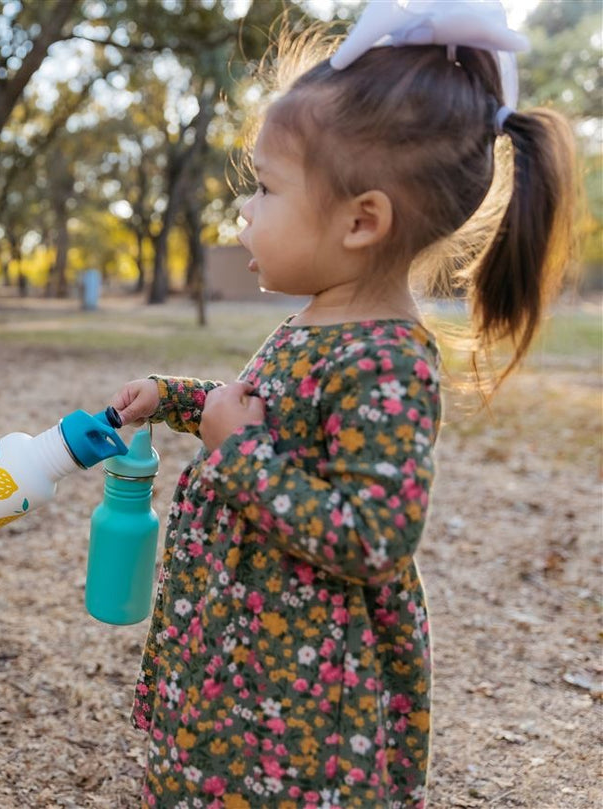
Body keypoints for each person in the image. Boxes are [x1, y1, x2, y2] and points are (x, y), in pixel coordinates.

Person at [107, 2, 576, 806]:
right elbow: (262, 412)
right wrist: (176, 399)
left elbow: (373, 534)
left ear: (363, 221)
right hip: (243, 662)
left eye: (265, 187)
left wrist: (236, 454)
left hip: (303, 709)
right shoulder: (319, 321)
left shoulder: (388, 361)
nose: (244, 210)